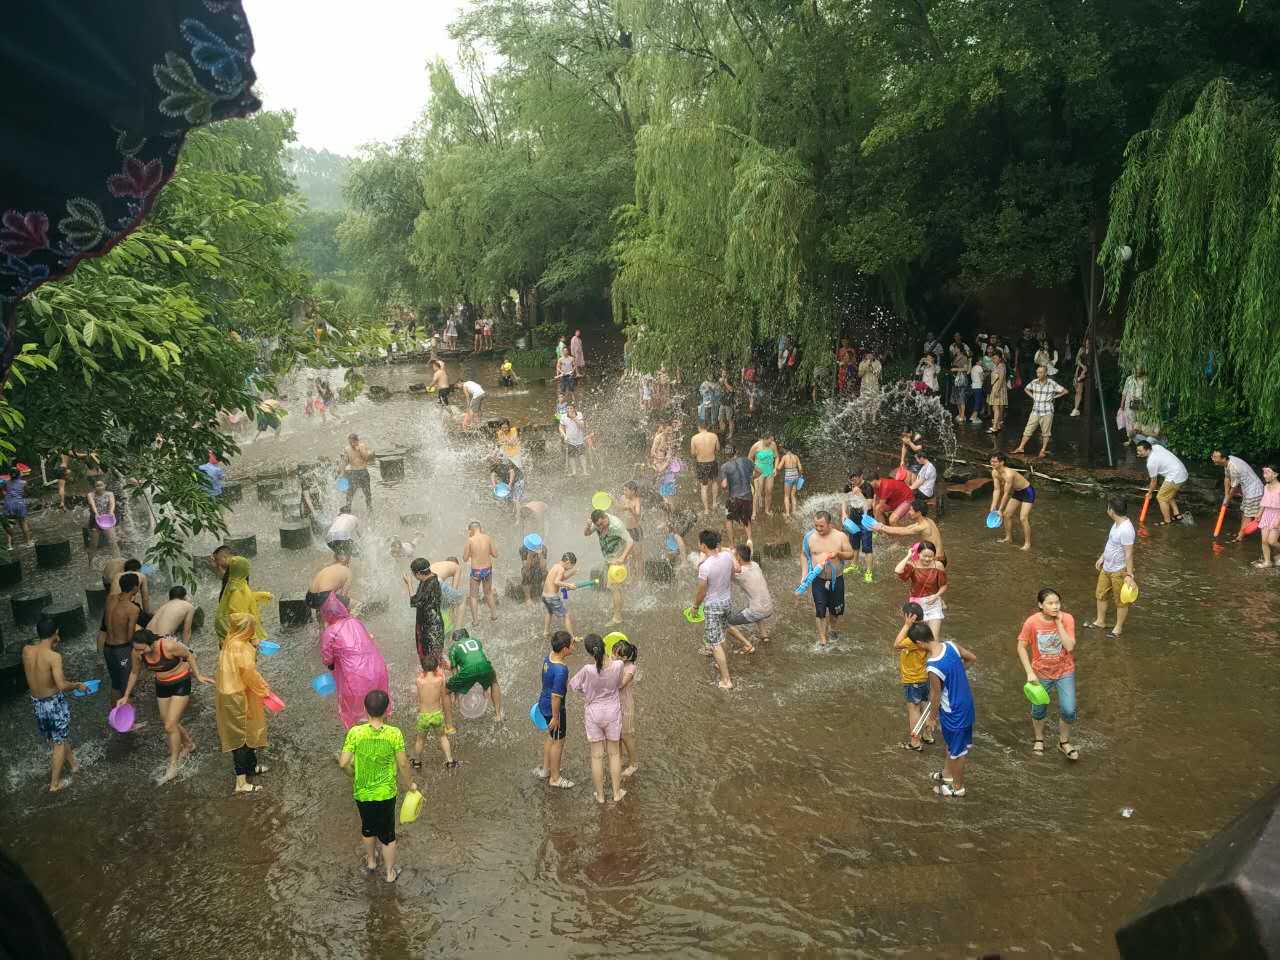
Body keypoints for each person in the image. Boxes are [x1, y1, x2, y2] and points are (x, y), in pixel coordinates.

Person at [118, 628, 213, 783]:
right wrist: (126, 696)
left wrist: (198, 675)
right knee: (168, 721)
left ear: (151, 643)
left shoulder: (168, 646)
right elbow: (134, 673)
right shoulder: (137, 653)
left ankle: (173, 766)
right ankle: (189, 744)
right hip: (162, 685)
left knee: (170, 725)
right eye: (136, 649)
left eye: (141, 649)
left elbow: (189, 655)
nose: (139, 652)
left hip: (181, 682)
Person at [338, 690, 415, 883]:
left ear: (365, 710)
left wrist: (352, 773)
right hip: (386, 793)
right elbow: (403, 763)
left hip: (362, 792)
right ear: (386, 710)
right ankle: (389, 873)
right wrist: (410, 784)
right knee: (388, 833)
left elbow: (342, 762)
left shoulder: (355, 732)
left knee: (368, 827)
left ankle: (371, 862)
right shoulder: (394, 733)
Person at [23, 619, 88, 792]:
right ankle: (54, 785)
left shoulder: (27, 650)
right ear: (56, 633)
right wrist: (77, 684)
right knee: (59, 743)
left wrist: (51, 639)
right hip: (52, 703)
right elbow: (61, 685)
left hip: (37, 703)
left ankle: (74, 764)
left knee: (56, 737)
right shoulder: (54, 657)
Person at [1017, 588, 1079, 761]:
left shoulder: (1067, 619)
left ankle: (1063, 742)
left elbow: (1070, 647)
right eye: (1050, 603)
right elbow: (1021, 647)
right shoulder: (1031, 622)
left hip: (1064, 670)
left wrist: (1059, 624)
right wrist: (1029, 672)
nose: (1055, 606)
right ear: (1040, 605)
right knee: (1038, 709)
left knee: (1069, 709)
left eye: (1057, 603)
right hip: (1041, 672)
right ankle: (1039, 738)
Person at [214, 613, 272, 794]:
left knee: (248, 730)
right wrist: (264, 689)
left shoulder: (231, 640)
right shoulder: (239, 647)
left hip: (235, 693)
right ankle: (240, 782)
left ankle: (250, 767)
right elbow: (249, 673)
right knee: (241, 737)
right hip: (238, 697)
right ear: (246, 629)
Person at [568, 634, 627, 804]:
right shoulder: (619, 664)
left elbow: (574, 685)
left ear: (589, 653)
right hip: (612, 712)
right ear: (604, 645)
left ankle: (600, 796)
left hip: (593, 713)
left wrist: (587, 691)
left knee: (596, 756)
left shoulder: (588, 669)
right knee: (614, 754)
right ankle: (617, 793)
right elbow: (618, 683)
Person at [320, 594, 392, 730]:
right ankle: (384, 736)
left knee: (357, 712)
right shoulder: (355, 622)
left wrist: (332, 664)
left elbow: (327, 658)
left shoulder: (330, 632)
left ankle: (358, 743)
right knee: (379, 704)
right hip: (377, 668)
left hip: (355, 676)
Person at [922, 632, 978, 798]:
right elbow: (972, 658)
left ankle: (957, 787)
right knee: (951, 745)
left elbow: (936, 695)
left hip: (953, 712)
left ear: (920, 642)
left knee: (958, 752)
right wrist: (958, 673)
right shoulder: (951, 645)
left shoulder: (932, 665)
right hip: (966, 704)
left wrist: (932, 718)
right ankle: (947, 774)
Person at [799, 511, 854, 647]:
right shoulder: (809, 537)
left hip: (837, 579)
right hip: (818, 579)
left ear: (829, 524)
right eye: (816, 526)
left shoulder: (840, 536)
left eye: (821, 526)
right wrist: (804, 574)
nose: (818, 529)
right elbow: (804, 555)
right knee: (820, 610)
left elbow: (851, 554)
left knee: (835, 611)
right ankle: (823, 640)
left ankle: (832, 629)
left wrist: (838, 553)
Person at [1086, 496, 1137, 638]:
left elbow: (1129, 554)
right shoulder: (1116, 524)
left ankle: (1118, 628)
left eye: (1108, 507)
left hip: (1119, 571)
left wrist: (1129, 575)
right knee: (1100, 594)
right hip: (1107, 567)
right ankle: (1100, 621)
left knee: (1121, 601)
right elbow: (1111, 543)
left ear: (1111, 511)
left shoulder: (1127, 529)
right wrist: (1102, 557)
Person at [692, 530, 735, 688]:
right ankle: (721, 664)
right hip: (727, 601)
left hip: (713, 605)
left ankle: (726, 680)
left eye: (699, 542)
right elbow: (732, 573)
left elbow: (701, 591)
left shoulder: (705, 567)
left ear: (703, 545)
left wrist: (695, 606)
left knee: (715, 642)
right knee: (722, 635)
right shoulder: (727, 556)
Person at [534, 631, 575, 789]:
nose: (573, 647)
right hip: (553, 709)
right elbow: (556, 697)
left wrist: (571, 639)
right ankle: (555, 778)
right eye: (571, 644)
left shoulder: (549, 656)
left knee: (551, 737)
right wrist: (556, 717)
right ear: (564, 649)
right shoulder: (561, 670)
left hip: (543, 702)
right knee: (558, 741)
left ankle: (546, 769)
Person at [892, 612, 933, 752]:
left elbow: (896, 644)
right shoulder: (925, 634)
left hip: (912, 680)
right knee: (925, 707)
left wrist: (906, 625)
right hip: (924, 678)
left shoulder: (911, 641)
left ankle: (915, 742)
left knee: (914, 710)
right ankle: (927, 735)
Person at [585, 509, 635, 625]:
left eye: (602, 524)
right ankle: (621, 605)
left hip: (617, 558)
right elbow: (586, 534)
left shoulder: (617, 525)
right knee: (615, 586)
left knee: (614, 587)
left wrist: (622, 558)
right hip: (608, 557)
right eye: (598, 525)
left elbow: (630, 542)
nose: (600, 527)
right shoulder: (597, 523)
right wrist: (588, 526)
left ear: (605, 517)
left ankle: (617, 618)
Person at [103, 572, 143, 713]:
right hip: (122, 650)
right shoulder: (133, 609)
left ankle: (114, 715)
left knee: (115, 684)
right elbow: (130, 634)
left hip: (107, 647)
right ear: (135, 587)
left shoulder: (110, 599)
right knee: (127, 687)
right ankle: (129, 724)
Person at [444, 629, 503, 721]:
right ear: (467, 636)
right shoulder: (476, 641)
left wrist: (456, 694)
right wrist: (485, 688)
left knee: (445, 691)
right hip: (485, 666)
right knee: (494, 682)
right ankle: (498, 714)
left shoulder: (453, 648)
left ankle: (449, 722)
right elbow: (479, 658)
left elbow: (454, 671)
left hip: (469, 670)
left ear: (454, 639)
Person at [213, 557, 271, 650]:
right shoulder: (237, 590)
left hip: (232, 633)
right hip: (234, 635)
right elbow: (239, 616)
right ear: (244, 570)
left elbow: (247, 597)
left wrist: (262, 595)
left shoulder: (235, 583)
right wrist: (253, 637)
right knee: (239, 661)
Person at [894, 541, 948, 641]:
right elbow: (897, 570)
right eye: (924, 556)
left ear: (934, 555)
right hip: (916, 605)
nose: (927, 559)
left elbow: (944, 586)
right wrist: (908, 556)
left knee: (933, 639)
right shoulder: (912, 565)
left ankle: (933, 656)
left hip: (933, 603)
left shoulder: (938, 565)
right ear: (918, 554)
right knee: (917, 640)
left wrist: (936, 595)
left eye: (930, 556)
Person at [1012, 365, 1068, 458]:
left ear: (1046, 373)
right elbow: (1026, 388)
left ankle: (1043, 450)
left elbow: (1065, 391)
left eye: (1041, 372)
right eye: (1038, 372)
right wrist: (1033, 396)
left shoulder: (1051, 383)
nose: (1039, 374)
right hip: (1035, 410)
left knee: (1046, 432)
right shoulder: (1034, 382)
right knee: (1028, 429)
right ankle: (1021, 447)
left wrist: (1054, 397)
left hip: (1047, 411)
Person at [727, 544, 773, 653]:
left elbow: (725, 574)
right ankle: (764, 636)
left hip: (757, 611)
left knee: (724, 622)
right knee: (755, 604)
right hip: (769, 608)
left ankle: (747, 645)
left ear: (738, 557)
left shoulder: (740, 572)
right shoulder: (755, 565)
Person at [414, 654, 457, 769]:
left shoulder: (419, 681)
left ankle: (417, 761)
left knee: (420, 740)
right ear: (436, 667)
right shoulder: (439, 680)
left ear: (422, 668)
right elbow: (443, 692)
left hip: (424, 716)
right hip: (437, 714)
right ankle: (449, 760)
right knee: (443, 737)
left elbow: (418, 692)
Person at [1212, 449, 1264, 542]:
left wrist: (1228, 499)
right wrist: (1226, 495)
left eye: (1215, 457)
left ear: (1223, 458)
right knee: (1244, 512)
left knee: (1248, 514)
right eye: (1212, 456)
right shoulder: (1228, 461)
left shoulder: (1234, 467)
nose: (1213, 459)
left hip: (1254, 492)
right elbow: (1227, 478)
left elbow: (1234, 487)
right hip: (1247, 490)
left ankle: (1240, 537)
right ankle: (1241, 533)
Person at [404, 557, 446, 666]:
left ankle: (433, 680)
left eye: (414, 574)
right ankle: (434, 677)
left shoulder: (429, 584)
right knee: (433, 655)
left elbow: (415, 602)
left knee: (430, 657)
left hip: (430, 626)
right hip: (431, 622)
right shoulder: (429, 579)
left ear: (418, 573)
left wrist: (409, 584)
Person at [879, 498, 946, 565]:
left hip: (935, 560)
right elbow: (905, 528)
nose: (909, 512)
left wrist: (881, 527)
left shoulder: (922, 527)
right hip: (941, 557)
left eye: (911, 510)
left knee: (905, 567)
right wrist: (883, 527)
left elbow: (901, 531)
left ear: (919, 513)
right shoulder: (928, 520)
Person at [1136, 439, 1189, 525]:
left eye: (1140, 451)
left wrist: (1149, 493)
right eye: (1137, 450)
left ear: (1148, 449)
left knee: (1161, 497)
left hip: (1175, 476)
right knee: (1167, 493)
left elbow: (1154, 481)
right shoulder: (1157, 447)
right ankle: (1177, 515)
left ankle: (1167, 521)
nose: (1138, 452)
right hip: (1182, 471)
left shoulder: (1151, 463)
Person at [990, 452, 1035, 551]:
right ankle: (1008, 538)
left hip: (1027, 492)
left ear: (1002, 462)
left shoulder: (1009, 474)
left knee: (1023, 518)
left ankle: (1027, 543)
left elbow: (1006, 493)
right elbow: (997, 490)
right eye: (991, 461)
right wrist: (993, 506)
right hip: (1018, 492)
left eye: (995, 461)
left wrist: (1000, 509)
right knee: (1007, 515)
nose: (992, 463)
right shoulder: (994, 472)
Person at [612, 639, 640, 778]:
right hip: (614, 704)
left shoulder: (630, 668)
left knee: (627, 735)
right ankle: (620, 759)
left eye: (615, 655)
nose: (612, 657)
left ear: (624, 658)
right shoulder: (616, 665)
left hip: (625, 705)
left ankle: (633, 763)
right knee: (616, 735)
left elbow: (620, 685)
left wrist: (611, 669)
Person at [462, 521, 499, 624]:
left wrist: (471, 553)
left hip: (476, 571)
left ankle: (475, 621)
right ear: (480, 528)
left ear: (470, 530)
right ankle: (494, 615)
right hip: (487, 569)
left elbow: (465, 558)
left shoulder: (470, 540)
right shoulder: (488, 538)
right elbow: (495, 554)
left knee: (473, 596)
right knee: (488, 593)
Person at [719, 445, 754, 547]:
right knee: (746, 519)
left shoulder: (725, 466)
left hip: (734, 498)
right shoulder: (747, 461)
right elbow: (759, 471)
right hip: (748, 496)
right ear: (736, 452)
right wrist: (750, 478)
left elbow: (724, 485)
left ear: (726, 455)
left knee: (729, 519)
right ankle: (750, 540)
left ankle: (732, 544)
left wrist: (724, 486)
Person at [541, 552, 580, 638]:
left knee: (549, 612)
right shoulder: (561, 569)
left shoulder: (556, 566)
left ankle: (546, 632)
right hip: (552, 597)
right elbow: (557, 582)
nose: (569, 569)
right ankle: (572, 637)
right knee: (566, 615)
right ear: (567, 562)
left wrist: (572, 573)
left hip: (544, 596)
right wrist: (569, 585)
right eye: (571, 567)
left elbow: (561, 578)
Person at [690, 419, 721, 515]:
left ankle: (706, 509)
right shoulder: (714, 436)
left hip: (701, 464)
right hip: (712, 462)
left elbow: (692, 453)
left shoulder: (694, 438)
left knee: (704, 487)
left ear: (699, 427)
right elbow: (718, 449)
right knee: (715, 482)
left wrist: (699, 451)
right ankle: (715, 503)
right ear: (707, 427)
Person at [85, 478, 118, 562]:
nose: (99, 487)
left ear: (105, 486)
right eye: (97, 486)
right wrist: (96, 513)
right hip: (95, 520)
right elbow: (92, 504)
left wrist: (111, 512)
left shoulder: (110, 494)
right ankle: (90, 563)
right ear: (94, 487)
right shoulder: (90, 494)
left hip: (107, 520)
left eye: (101, 485)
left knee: (113, 542)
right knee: (93, 544)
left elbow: (112, 503)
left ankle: (118, 561)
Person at [341, 434, 375, 513]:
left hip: (363, 471)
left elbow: (367, 458)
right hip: (353, 472)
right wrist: (342, 473)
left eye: (353, 442)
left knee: (367, 492)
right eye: (350, 442)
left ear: (357, 441)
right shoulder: (347, 449)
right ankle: (348, 507)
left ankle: (369, 507)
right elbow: (345, 462)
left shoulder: (362, 446)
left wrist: (360, 450)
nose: (351, 444)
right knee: (350, 492)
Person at [749, 435, 778, 519]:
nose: (771, 441)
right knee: (757, 493)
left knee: (769, 491)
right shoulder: (756, 446)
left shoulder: (773, 445)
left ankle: (767, 510)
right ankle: (754, 513)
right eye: (769, 440)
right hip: (758, 472)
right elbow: (749, 458)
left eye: (772, 439)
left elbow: (777, 457)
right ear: (764, 438)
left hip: (769, 471)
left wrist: (775, 468)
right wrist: (755, 468)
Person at [1257, 463, 1280, 568]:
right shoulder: (1266, 486)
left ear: (1275, 474)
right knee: (1264, 540)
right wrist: (1259, 513)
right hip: (1266, 514)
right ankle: (1267, 562)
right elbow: (1264, 501)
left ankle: (1278, 555)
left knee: (1272, 541)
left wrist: (1278, 520)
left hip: (1277, 515)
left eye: (1267, 472)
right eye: (1264, 473)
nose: (1264, 475)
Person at [620, 481, 644, 578]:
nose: (624, 492)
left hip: (635, 530)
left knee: (638, 556)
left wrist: (631, 509)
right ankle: (631, 577)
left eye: (626, 490)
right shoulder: (622, 498)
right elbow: (618, 508)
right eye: (623, 490)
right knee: (629, 555)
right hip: (626, 531)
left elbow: (638, 516)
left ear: (633, 491)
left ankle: (640, 578)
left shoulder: (637, 500)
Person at [1119, 368, 1149, 443]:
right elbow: (1124, 392)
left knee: (1140, 421)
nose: (1137, 371)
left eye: (1139, 369)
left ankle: (1139, 440)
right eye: (1136, 369)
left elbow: (1148, 393)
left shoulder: (1146, 380)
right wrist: (1122, 404)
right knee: (1130, 422)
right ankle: (1130, 439)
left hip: (1141, 403)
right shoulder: (1129, 379)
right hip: (1130, 403)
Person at [3, 471, 32, 546]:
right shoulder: (24, 482)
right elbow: (28, 492)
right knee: (23, 523)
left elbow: (4, 492)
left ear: (10, 475)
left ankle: (9, 545)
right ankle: (28, 542)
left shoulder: (6, 483)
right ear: (19, 474)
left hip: (8, 504)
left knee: (9, 524)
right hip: (19, 503)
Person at [559, 404, 589, 476]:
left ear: (574, 409)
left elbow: (582, 426)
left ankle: (584, 471)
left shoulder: (579, 414)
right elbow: (560, 427)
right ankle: (574, 472)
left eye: (571, 408)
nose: (569, 410)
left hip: (579, 439)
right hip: (570, 440)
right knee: (571, 456)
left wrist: (574, 418)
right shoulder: (563, 416)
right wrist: (564, 435)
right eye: (568, 408)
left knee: (582, 455)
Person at [519, 537, 548, 605]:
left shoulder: (543, 548)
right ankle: (528, 598)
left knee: (546, 573)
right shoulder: (523, 549)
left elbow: (543, 567)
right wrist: (530, 555)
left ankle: (546, 595)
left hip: (539, 567)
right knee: (525, 573)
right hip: (529, 568)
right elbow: (526, 567)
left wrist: (540, 555)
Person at [778, 447, 804, 519]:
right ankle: (794, 511)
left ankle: (787, 514)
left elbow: (779, 467)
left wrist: (777, 467)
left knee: (786, 496)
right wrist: (801, 475)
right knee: (793, 495)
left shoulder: (785, 457)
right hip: (795, 476)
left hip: (788, 477)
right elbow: (800, 468)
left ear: (785, 450)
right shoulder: (796, 457)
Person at [987, 352, 1008, 434]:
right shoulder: (998, 366)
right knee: (995, 408)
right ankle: (998, 425)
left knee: (996, 408)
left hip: (998, 388)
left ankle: (995, 427)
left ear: (1000, 358)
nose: (994, 360)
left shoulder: (1001, 366)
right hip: (996, 388)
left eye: (995, 358)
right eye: (993, 358)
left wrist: (997, 390)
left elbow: (1001, 379)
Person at [1070, 339, 1090, 416]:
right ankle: (1076, 409)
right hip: (1081, 369)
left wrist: (1085, 371)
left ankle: (1087, 411)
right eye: (1086, 342)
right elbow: (1077, 360)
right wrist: (1081, 367)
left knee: (1088, 392)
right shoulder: (1082, 349)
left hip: (1088, 371)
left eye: (1089, 343)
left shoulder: (1093, 351)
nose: (1087, 344)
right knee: (1078, 391)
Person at [717, 367, 736, 439]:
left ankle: (731, 434)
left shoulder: (730, 380)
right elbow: (719, 388)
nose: (724, 374)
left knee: (730, 419)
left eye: (725, 373)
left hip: (729, 403)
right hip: (722, 403)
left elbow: (731, 390)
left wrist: (725, 383)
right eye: (723, 373)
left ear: (727, 373)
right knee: (720, 419)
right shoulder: (720, 380)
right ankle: (723, 432)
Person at [968, 356, 985, 424]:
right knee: (978, 402)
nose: (982, 362)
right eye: (980, 360)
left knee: (975, 401)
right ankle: (973, 417)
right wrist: (984, 376)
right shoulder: (979, 367)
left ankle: (973, 416)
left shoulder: (973, 367)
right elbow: (982, 378)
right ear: (977, 362)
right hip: (978, 386)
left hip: (973, 386)